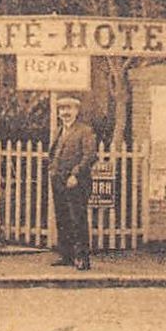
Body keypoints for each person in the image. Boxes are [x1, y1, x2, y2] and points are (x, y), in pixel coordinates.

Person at [48, 96, 99, 270]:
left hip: (77, 182)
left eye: (69, 109)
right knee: (63, 219)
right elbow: (53, 154)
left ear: (76, 111)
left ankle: (82, 258)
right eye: (62, 109)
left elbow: (90, 156)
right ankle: (67, 255)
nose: (65, 113)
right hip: (59, 181)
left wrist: (75, 174)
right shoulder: (59, 131)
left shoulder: (85, 131)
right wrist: (52, 171)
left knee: (78, 220)